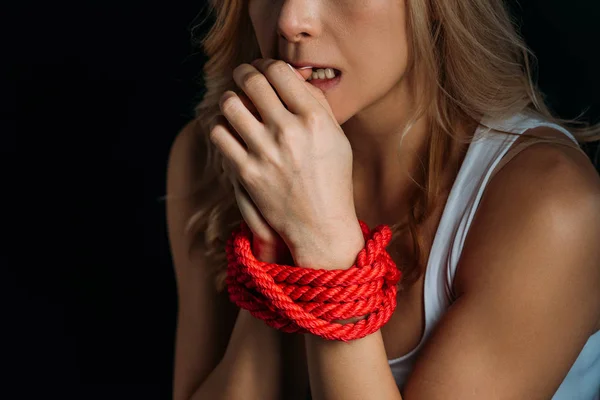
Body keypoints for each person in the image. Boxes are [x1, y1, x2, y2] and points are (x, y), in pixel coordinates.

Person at [165, 0, 600, 399]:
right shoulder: (213, 157)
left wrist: (326, 251)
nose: (289, 21)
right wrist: (276, 268)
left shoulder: (553, 206)